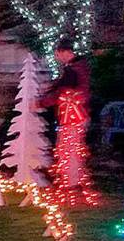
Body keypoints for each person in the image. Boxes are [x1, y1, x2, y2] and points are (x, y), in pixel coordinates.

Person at [37, 39, 96, 203]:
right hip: (73, 117)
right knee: (70, 151)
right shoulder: (76, 69)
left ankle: (72, 186)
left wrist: (40, 102)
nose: (57, 58)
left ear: (65, 52)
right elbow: (60, 86)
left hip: (73, 117)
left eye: (57, 54)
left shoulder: (74, 71)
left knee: (69, 152)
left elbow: (61, 92)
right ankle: (72, 184)